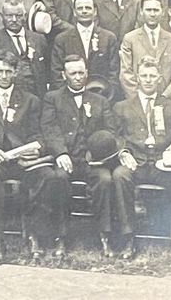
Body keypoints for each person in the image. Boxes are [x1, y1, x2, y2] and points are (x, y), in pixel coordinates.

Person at [0, 55, 70, 266]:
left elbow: (38, 134)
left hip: (23, 161)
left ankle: (37, 235)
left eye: (9, 71)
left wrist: (35, 149)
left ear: (15, 73)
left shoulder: (30, 100)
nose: (4, 76)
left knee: (48, 176)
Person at [113, 62, 171, 261]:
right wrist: (123, 151)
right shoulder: (122, 107)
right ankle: (129, 238)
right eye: (144, 76)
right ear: (137, 78)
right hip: (136, 163)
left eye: (152, 76)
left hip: (163, 165)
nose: (148, 80)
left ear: (159, 79)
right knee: (120, 175)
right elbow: (114, 135)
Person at [51, 55, 121, 256]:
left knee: (105, 180)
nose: (77, 77)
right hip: (67, 158)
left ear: (87, 74)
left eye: (81, 73)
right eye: (73, 73)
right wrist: (60, 153)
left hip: (93, 160)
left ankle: (104, 235)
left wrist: (98, 151)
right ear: (64, 75)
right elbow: (50, 129)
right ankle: (61, 236)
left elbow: (111, 131)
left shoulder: (100, 101)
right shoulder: (53, 98)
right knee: (59, 179)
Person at [120, 0, 171, 100]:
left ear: (162, 12)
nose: (152, 14)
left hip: (167, 100)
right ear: (141, 12)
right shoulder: (130, 39)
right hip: (138, 101)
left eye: (156, 10)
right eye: (148, 10)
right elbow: (126, 74)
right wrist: (140, 99)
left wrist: (164, 98)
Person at [0, 0, 46, 91]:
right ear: (2, 16)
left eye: (18, 15)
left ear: (25, 16)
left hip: (35, 95)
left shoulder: (39, 40)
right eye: (9, 15)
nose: (14, 20)